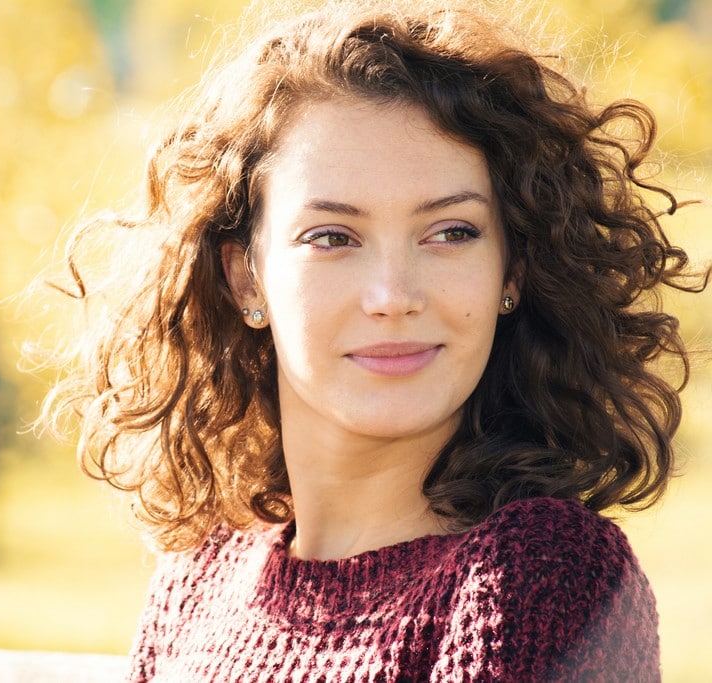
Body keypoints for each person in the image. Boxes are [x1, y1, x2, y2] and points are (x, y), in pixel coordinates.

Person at [36, 0, 709, 680]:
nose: (393, 295)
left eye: (451, 232)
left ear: (513, 268)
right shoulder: (194, 583)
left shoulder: (542, 575)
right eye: (333, 237)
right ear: (245, 278)